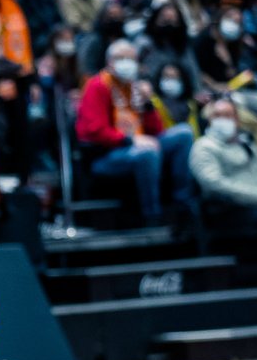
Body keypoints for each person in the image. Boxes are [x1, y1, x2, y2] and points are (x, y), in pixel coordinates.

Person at [75, 39, 194, 225]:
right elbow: (93, 131)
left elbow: (157, 130)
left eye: (130, 58)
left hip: (138, 145)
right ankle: (152, 216)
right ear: (109, 62)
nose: (126, 63)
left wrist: (148, 105)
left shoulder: (135, 87)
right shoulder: (97, 85)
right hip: (106, 155)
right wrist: (129, 141)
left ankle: (183, 205)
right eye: (120, 58)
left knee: (184, 134)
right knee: (146, 153)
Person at [190, 96, 257, 227]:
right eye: (217, 116)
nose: (222, 120)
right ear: (209, 120)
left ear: (237, 121)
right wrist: (256, 195)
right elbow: (213, 184)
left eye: (228, 115)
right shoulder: (204, 146)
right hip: (229, 209)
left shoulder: (247, 144)